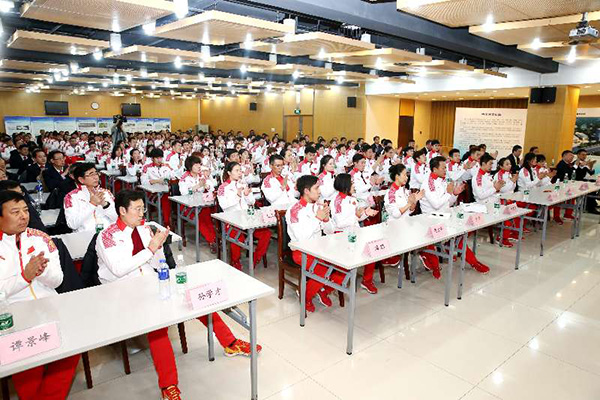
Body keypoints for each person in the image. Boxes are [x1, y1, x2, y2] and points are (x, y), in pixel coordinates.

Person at [0, 190, 80, 400]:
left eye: (25, 210)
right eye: (15, 212)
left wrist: (41, 272)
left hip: (48, 307)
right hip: (13, 316)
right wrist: (24, 277)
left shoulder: (40, 238)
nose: (23, 216)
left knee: (73, 348)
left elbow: (58, 281)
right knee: (28, 366)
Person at [286, 175, 346, 313]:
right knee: (322, 269)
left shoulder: (318, 206)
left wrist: (326, 220)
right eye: (316, 188)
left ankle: (323, 289)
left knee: (345, 265)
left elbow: (330, 231)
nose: (320, 191)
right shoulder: (294, 210)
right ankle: (305, 296)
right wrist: (318, 218)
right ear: (306, 191)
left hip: (320, 248)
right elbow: (302, 238)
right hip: (301, 251)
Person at [421, 156, 490, 274]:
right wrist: (449, 193)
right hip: (431, 220)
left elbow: (449, 202)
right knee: (457, 233)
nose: (445, 170)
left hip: (445, 215)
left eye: (445, 167)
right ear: (434, 169)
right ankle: (429, 255)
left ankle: (473, 262)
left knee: (464, 230)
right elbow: (436, 205)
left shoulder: (442, 180)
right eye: (443, 168)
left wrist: (454, 194)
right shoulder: (428, 183)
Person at [217, 162, 271, 270]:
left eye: (240, 170)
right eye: (236, 171)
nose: (240, 173)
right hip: (232, 219)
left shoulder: (243, 183)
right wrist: (237, 195)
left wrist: (247, 195)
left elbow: (252, 202)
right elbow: (224, 205)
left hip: (247, 217)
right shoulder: (223, 187)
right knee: (238, 237)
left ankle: (256, 257)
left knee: (266, 233)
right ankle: (235, 261)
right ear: (229, 173)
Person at [331, 173, 379, 293]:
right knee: (346, 265)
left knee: (372, 250)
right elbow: (340, 223)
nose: (354, 185)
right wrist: (356, 216)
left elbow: (357, 218)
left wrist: (366, 213)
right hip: (341, 235)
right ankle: (327, 288)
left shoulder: (352, 198)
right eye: (352, 183)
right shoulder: (337, 201)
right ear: (345, 185)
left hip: (354, 232)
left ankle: (367, 281)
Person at [178, 156, 217, 253]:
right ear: (190, 166)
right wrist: (198, 185)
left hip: (201, 204)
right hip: (188, 206)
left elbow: (212, 187)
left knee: (208, 218)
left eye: (199, 164)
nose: (199, 166)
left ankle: (214, 239)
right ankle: (212, 241)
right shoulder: (184, 178)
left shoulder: (201, 176)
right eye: (196, 164)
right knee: (200, 220)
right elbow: (184, 193)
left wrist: (207, 186)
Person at [64, 163, 117, 232]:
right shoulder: (72, 197)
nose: (96, 177)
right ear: (81, 179)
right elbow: (72, 224)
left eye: (96, 174)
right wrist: (92, 204)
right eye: (91, 175)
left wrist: (105, 205)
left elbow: (116, 218)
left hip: (106, 234)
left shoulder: (106, 193)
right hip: (85, 235)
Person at [141, 149, 175, 228]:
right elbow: (144, 182)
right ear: (152, 159)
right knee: (166, 201)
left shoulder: (166, 166)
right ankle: (167, 223)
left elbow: (173, 175)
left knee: (172, 200)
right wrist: (157, 181)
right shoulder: (147, 167)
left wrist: (169, 177)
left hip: (165, 190)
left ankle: (170, 220)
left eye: (161, 158)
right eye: (157, 158)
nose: (159, 160)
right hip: (153, 192)